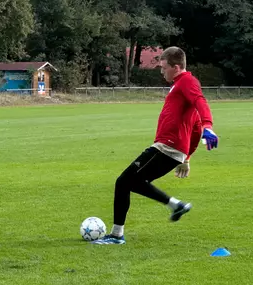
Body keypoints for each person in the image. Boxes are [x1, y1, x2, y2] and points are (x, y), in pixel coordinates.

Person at [92, 46, 218, 245]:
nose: (162, 72)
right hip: (173, 149)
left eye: (164, 68)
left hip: (167, 146)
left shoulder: (187, 81)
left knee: (123, 181)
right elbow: (194, 127)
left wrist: (208, 126)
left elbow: (200, 102)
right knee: (133, 182)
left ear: (176, 67)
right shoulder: (179, 86)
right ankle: (176, 205)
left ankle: (117, 235)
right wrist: (187, 158)